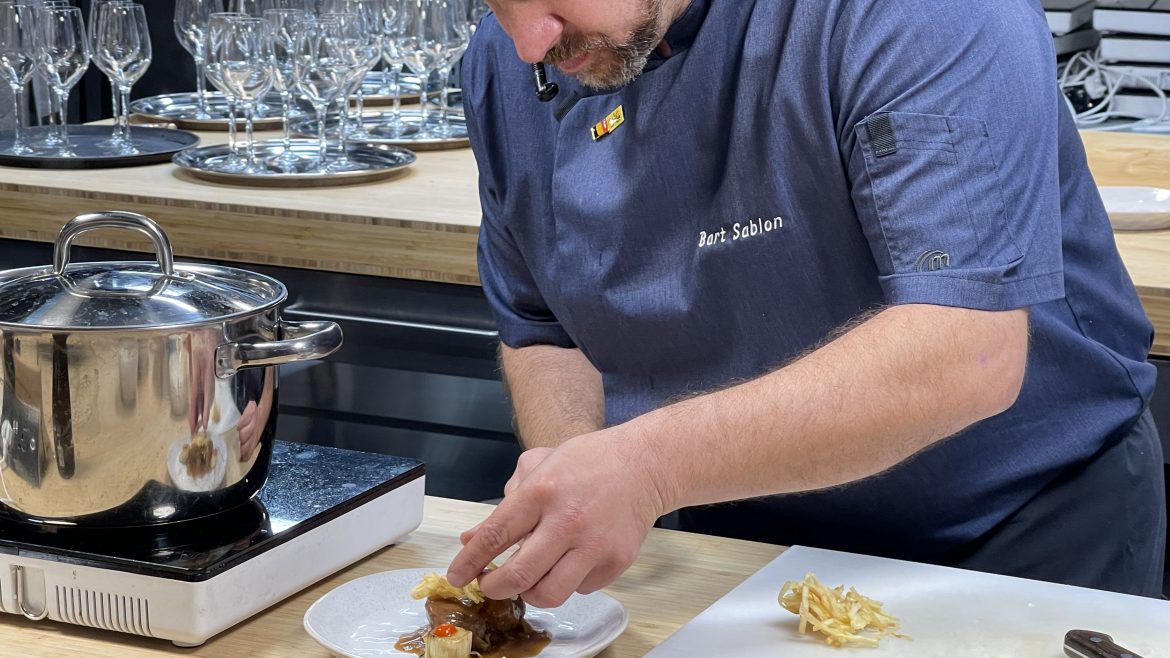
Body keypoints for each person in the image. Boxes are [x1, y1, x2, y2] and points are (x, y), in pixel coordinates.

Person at [446, 0, 1168, 607]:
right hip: (732, 532)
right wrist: (577, 480)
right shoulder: (512, 56)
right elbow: (544, 328)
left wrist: (644, 469)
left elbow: (965, 351)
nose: (529, 41)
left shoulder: (914, 15)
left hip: (1014, 523)